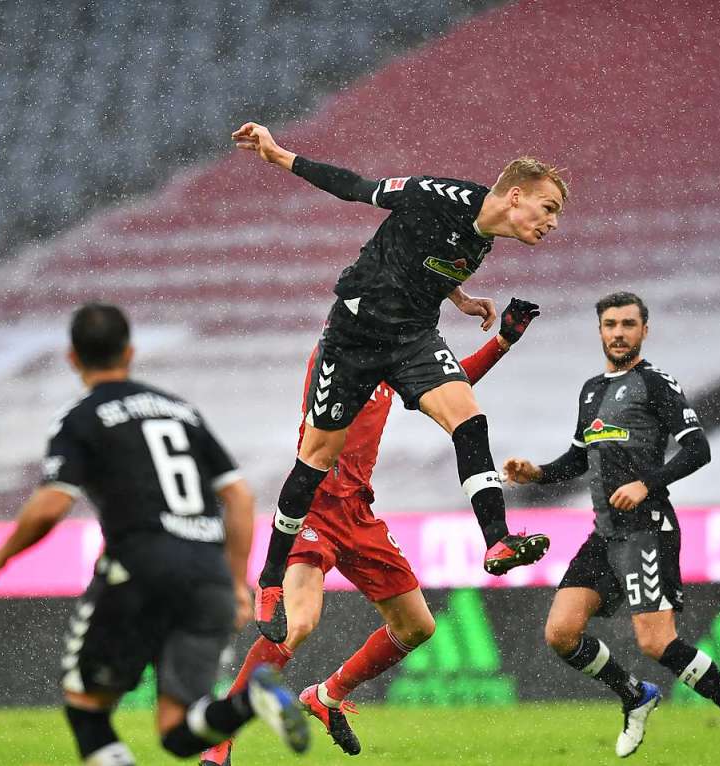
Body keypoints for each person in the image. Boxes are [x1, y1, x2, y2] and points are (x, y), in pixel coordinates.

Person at [230, 121, 568, 640]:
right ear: (516, 195)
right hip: (354, 335)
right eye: (548, 209)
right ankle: (271, 577)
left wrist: (460, 299)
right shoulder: (437, 193)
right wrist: (279, 155)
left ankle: (498, 540)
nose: (552, 224)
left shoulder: (483, 241)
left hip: (412, 338)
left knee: (469, 419)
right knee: (315, 460)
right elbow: (356, 188)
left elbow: (433, 263)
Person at [199, 299, 541, 765]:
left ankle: (327, 695)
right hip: (315, 506)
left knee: (417, 625)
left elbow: (446, 389)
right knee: (298, 623)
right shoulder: (337, 353)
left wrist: (500, 343)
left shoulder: (386, 361)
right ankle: (221, 734)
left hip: (359, 512)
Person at [0, 303, 310, 765]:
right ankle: (249, 701)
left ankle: (245, 702)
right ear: (130, 351)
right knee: (179, 735)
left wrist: (1, 557)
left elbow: (52, 504)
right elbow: (239, 497)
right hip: (206, 577)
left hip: (139, 569)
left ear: (73, 358)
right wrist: (235, 580)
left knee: (87, 714)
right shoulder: (180, 411)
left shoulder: (82, 416)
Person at [503, 292, 720, 766]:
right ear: (600, 331)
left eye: (628, 324)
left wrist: (645, 484)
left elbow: (697, 450)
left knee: (656, 641)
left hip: (647, 529)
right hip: (605, 534)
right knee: (561, 632)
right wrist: (538, 474)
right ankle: (634, 694)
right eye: (610, 324)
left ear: (644, 331)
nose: (618, 332)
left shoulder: (656, 384)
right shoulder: (590, 390)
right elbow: (578, 458)